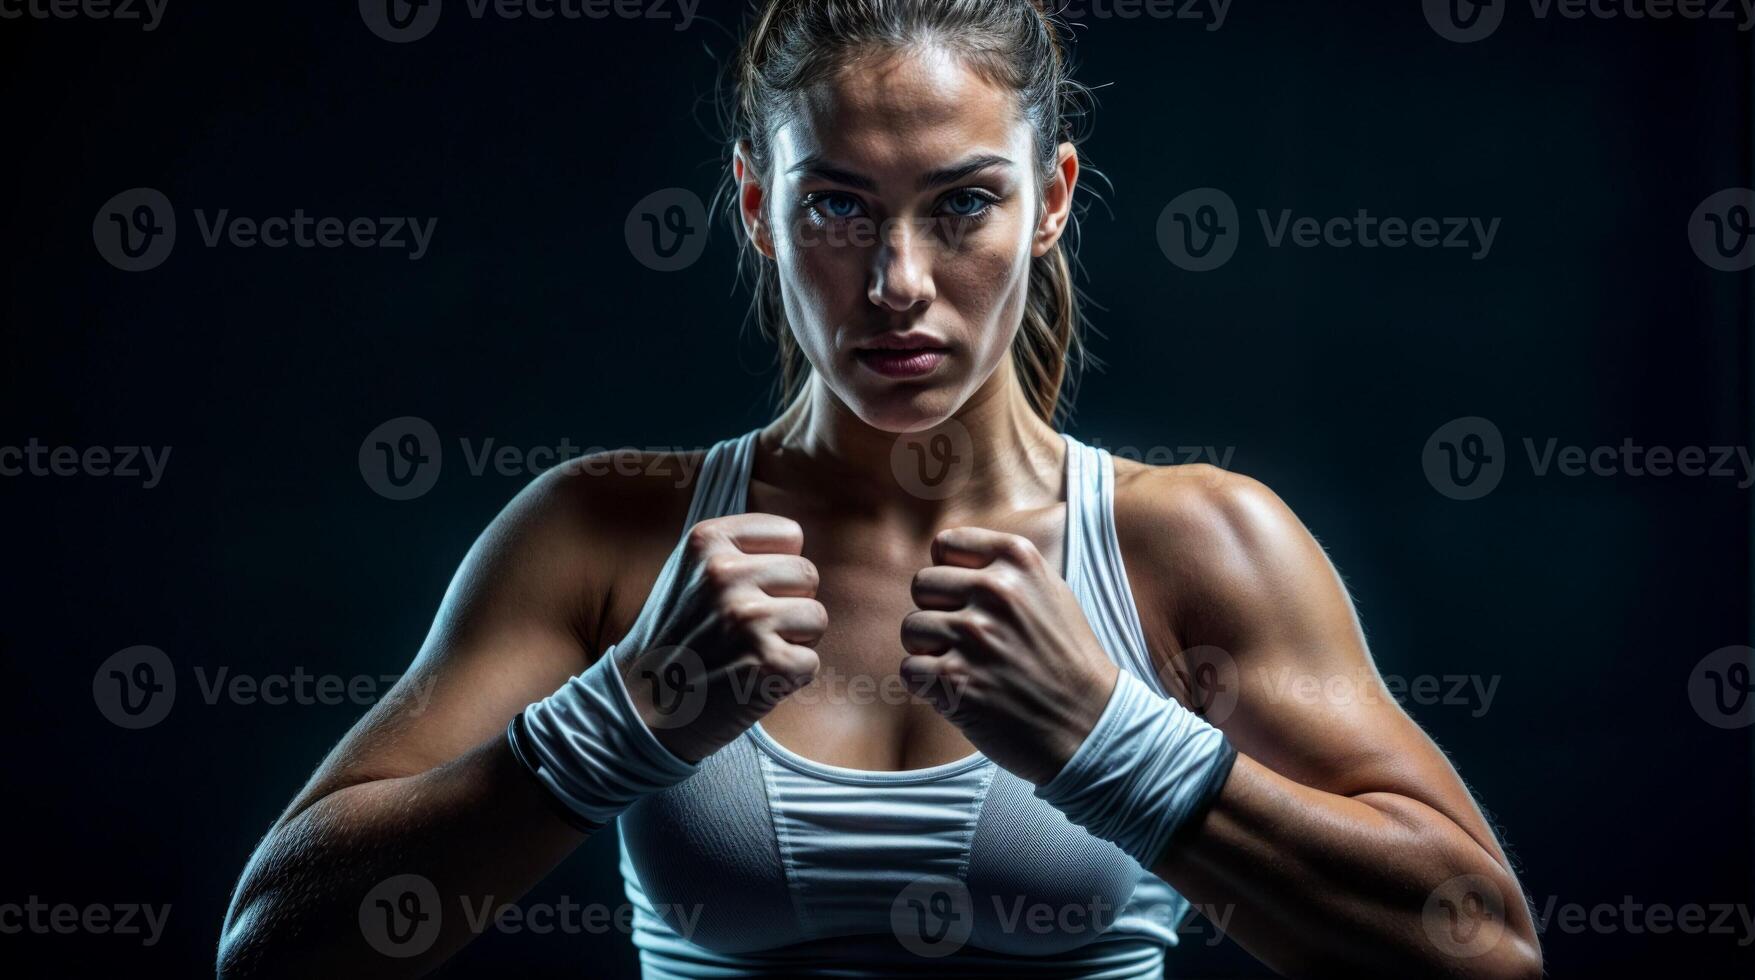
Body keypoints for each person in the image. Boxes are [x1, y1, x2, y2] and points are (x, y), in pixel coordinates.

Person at [218, 2, 1543, 976]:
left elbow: (1485, 956)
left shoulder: (1190, 547)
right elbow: (271, 950)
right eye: (839, 207)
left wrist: (1113, 743)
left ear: (1052, 200)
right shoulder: (606, 539)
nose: (897, 280)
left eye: (961, 205)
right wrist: (620, 722)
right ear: (754, 205)